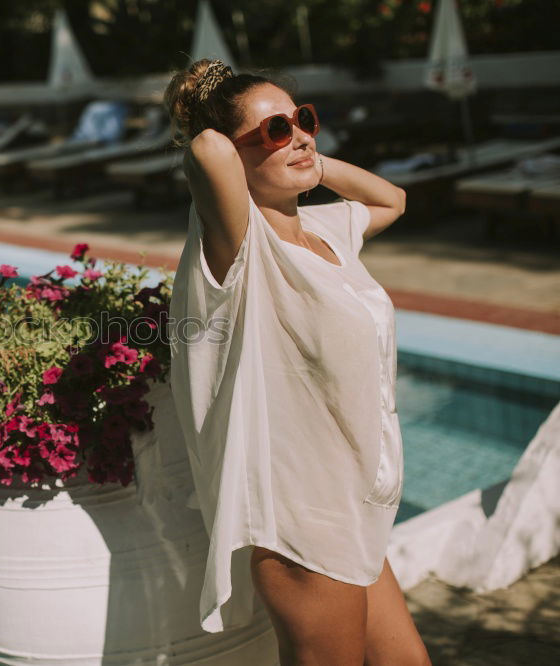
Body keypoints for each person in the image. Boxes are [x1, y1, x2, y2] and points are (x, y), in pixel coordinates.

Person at [162, 58, 432, 665]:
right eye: (274, 131)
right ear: (236, 156)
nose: (300, 134)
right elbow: (206, 148)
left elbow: (393, 199)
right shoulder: (237, 248)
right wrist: (211, 107)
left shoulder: (325, 231)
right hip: (302, 521)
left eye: (304, 119)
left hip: (353, 503)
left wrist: (300, 153)